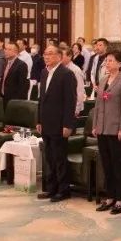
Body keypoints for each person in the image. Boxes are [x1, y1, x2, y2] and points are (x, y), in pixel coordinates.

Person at [92, 50, 121, 214]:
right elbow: (97, 105)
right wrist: (95, 125)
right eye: (106, 61)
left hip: (116, 129)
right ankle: (110, 197)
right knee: (106, 165)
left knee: (118, 166)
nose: (107, 63)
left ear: (120, 64)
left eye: (110, 60)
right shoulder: (103, 80)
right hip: (102, 128)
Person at [36, 46, 77, 203]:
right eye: (45, 54)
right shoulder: (44, 72)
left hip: (60, 123)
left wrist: (68, 124)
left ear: (59, 56)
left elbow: (70, 102)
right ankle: (51, 188)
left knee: (60, 158)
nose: (46, 56)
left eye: (50, 54)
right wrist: (39, 120)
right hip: (46, 122)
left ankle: (63, 190)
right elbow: (41, 99)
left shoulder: (66, 74)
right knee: (49, 158)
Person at [0, 42, 30, 108]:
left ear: (16, 51)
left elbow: (23, 86)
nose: (6, 51)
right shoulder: (6, 63)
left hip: (14, 100)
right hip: (3, 97)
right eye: (5, 49)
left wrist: (17, 102)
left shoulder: (21, 65)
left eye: (9, 49)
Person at [60, 47, 86, 114]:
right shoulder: (60, 69)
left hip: (72, 107)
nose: (59, 57)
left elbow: (79, 91)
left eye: (62, 55)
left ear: (69, 56)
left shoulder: (75, 70)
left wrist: (76, 109)